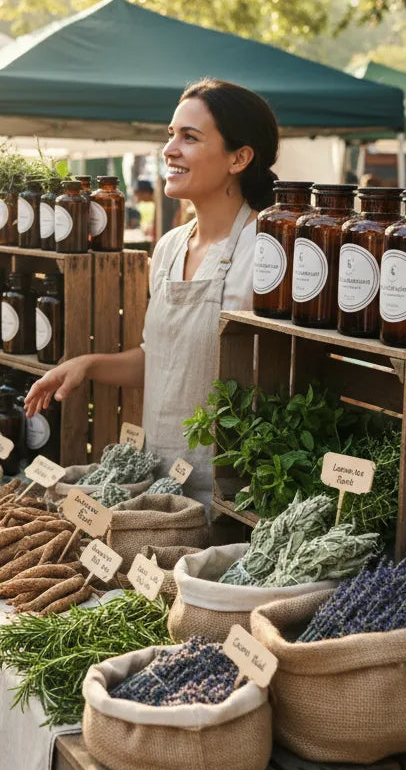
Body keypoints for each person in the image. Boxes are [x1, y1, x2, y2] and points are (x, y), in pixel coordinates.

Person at [26, 79, 278, 507]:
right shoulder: (169, 247)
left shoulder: (265, 251)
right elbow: (160, 360)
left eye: (190, 137)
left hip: (231, 493)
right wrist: (86, 365)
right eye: (171, 135)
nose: (169, 149)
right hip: (156, 488)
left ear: (239, 157)